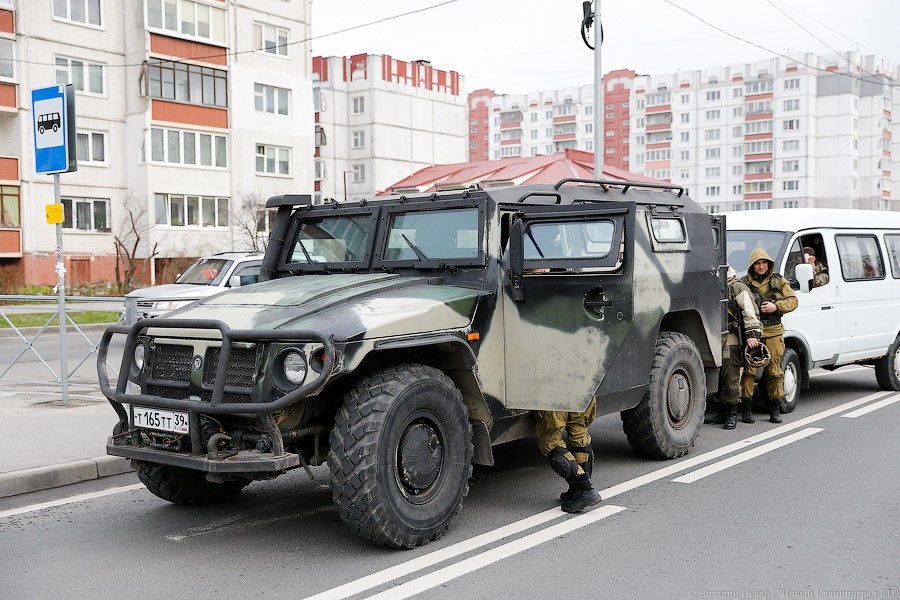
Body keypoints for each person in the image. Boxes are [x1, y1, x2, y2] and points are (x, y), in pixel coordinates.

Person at [740, 248, 798, 423]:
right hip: (753, 334)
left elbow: (793, 300)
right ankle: (746, 408)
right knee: (749, 371)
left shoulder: (778, 281)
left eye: (764, 262)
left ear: (769, 264)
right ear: (752, 265)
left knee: (774, 371)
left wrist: (776, 306)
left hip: (773, 332)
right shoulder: (744, 283)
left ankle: (775, 408)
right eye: (757, 263)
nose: (761, 266)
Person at [706, 266, 763, 429]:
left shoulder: (737, 287)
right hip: (714, 335)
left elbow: (750, 312)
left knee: (731, 377)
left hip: (731, 337)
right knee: (717, 376)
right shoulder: (712, 285)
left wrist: (752, 335)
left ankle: (732, 414)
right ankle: (722, 412)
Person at [535, 398, 602, 513]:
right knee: (579, 431)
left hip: (556, 387)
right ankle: (576, 489)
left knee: (550, 442)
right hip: (584, 385)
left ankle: (584, 488)